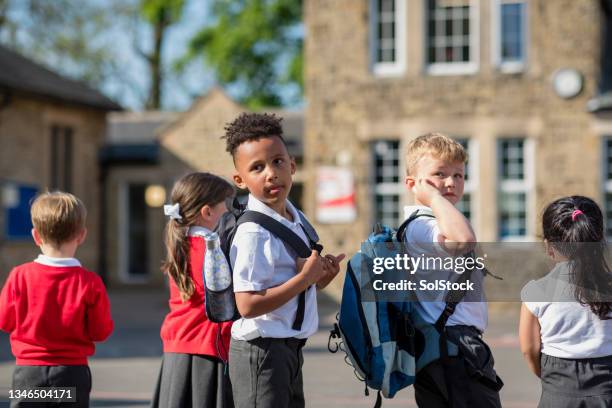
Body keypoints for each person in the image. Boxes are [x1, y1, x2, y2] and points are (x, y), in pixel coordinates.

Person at [222, 112, 345, 408]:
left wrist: (317, 279)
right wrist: (304, 279)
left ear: (292, 165)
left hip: (288, 348)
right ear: (240, 180)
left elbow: (287, 290)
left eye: (277, 162)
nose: (271, 173)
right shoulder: (253, 233)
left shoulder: (295, 218)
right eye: (257, 167)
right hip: (260, 352)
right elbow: (248, 305)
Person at [402, 133, 502, 407]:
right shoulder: (423, 225)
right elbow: (464, 240)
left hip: (440, 345)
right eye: (439, 174)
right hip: (454, 346)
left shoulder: (434, 221)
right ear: (412, 184)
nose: (450, 182)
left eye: (458, 175)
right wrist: (434, 198)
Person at [0, 191, 114, 408]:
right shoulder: (90, 282)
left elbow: (4, 321)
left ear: (36, 236)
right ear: (81, 235)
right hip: (71, 373)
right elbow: (100, 332)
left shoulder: (19, 275)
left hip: (29, 374)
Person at [151, 172, 236, 408]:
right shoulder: (211, 251)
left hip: (177, 353)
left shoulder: (182, 245)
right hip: (207, 353)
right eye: (227, 205)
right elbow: (227, 304)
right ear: (208, 212)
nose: (231, 212)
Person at [520, 195, 612, 408]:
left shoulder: (536, 291)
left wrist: (552, 379)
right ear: (599, 240)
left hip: (559, 390)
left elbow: (529, 349)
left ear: (549, 246)